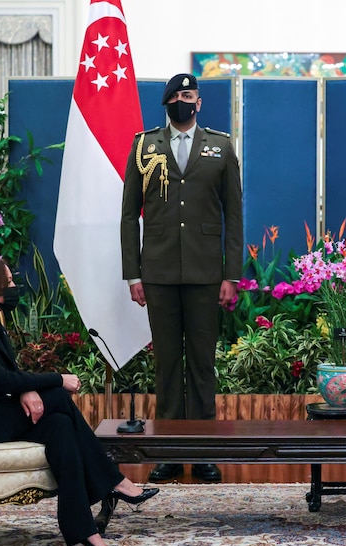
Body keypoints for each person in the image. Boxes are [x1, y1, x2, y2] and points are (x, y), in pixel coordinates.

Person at [0, 256, 158, 546]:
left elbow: (6, 375)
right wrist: (57, 379)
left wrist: (28, 389)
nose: (14, 287)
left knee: (59, 426)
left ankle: (82, 529)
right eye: (8, 282)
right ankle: (114, 481)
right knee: (57, 397)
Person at [120, 73, 244, 483]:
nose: (182, 101)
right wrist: (132, 273)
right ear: (166, 103)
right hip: (158, 271)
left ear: (199, 102)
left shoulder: (221, 147)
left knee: (202, 364)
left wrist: (232, 275)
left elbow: (234, 216)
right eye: (175, 96)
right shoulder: (144, 145)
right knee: (168, 364)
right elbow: (128, 215)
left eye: (188, 95)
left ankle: (204, 452)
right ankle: (170, 452)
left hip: (206, 272)